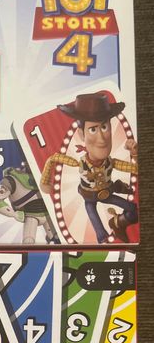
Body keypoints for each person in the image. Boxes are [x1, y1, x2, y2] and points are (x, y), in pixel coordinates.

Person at [40, 92, 138, 242]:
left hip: (107, 192)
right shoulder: (80, 164)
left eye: (104, 127)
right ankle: (102, 238)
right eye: (93, 129)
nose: (102, 138)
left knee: (133, 211)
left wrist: (135, 153)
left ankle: (117, 223)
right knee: (94, 218)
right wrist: (46, 179)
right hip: (89, 197)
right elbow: (54, 158)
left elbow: (135, 169)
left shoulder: (111, 162)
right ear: (82, 134)